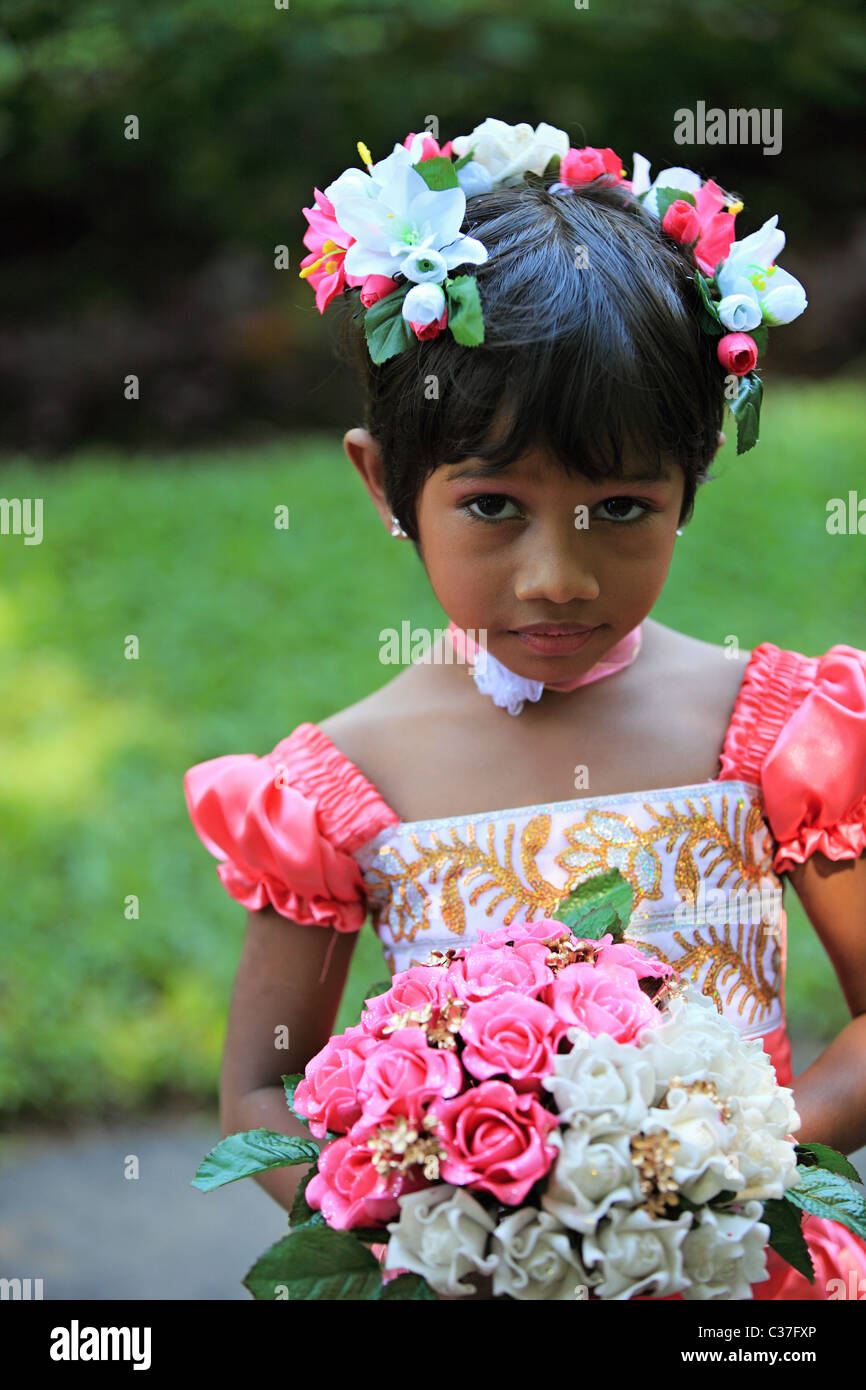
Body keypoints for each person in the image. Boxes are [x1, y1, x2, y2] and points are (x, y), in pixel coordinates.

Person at [183, 120, 866, 1300]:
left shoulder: (775, 736)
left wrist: (710, 1171)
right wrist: (426, 1213)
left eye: (619, 506)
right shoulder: (340, 787)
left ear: (690, 479)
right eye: (494, 505)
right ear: (380, 482)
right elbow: (262, 1092)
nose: (557, 574)